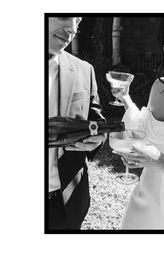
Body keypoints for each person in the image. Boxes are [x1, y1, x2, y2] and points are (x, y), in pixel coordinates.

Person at [110, 17, 164, 229]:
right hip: (144, 199)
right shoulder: (160, 86)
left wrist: (155, 158)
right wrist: (125, 98)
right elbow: (143, 131)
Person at [48, 17, 106, 230]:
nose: (72, 28)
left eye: (77, 20)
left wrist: (98, 139)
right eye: (64, 15)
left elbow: (96, 122)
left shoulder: (84, 70)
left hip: (67, 204)